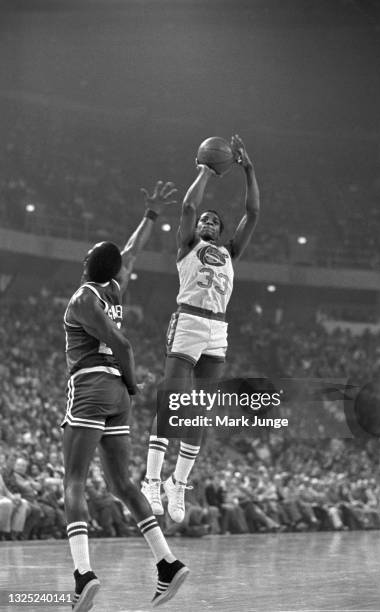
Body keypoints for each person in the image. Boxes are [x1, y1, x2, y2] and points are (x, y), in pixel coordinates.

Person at [61, 181, 189, 611]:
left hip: (95, 384)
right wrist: (150, 215)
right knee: (121, 483)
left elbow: (123, 345)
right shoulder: (117, 288)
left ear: (86, 264)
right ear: (114, 270)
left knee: (74, 480)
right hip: (117, 395)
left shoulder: (83, 297)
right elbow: (131, 250)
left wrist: (134, 380)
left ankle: (83, 575)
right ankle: (167, 563)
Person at [142, 135, 260, 523]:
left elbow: (253, 214)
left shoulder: (229, 252)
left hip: (218, 330)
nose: (208, 221)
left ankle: (179, 484)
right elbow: (190, 205)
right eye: (205, 220)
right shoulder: (186, 245)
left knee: (200, 414)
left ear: (221, 231)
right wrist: (205, 171)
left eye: (215, 220)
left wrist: (248, 169)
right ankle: (151, 480)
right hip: (189, 320)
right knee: (172, 402)